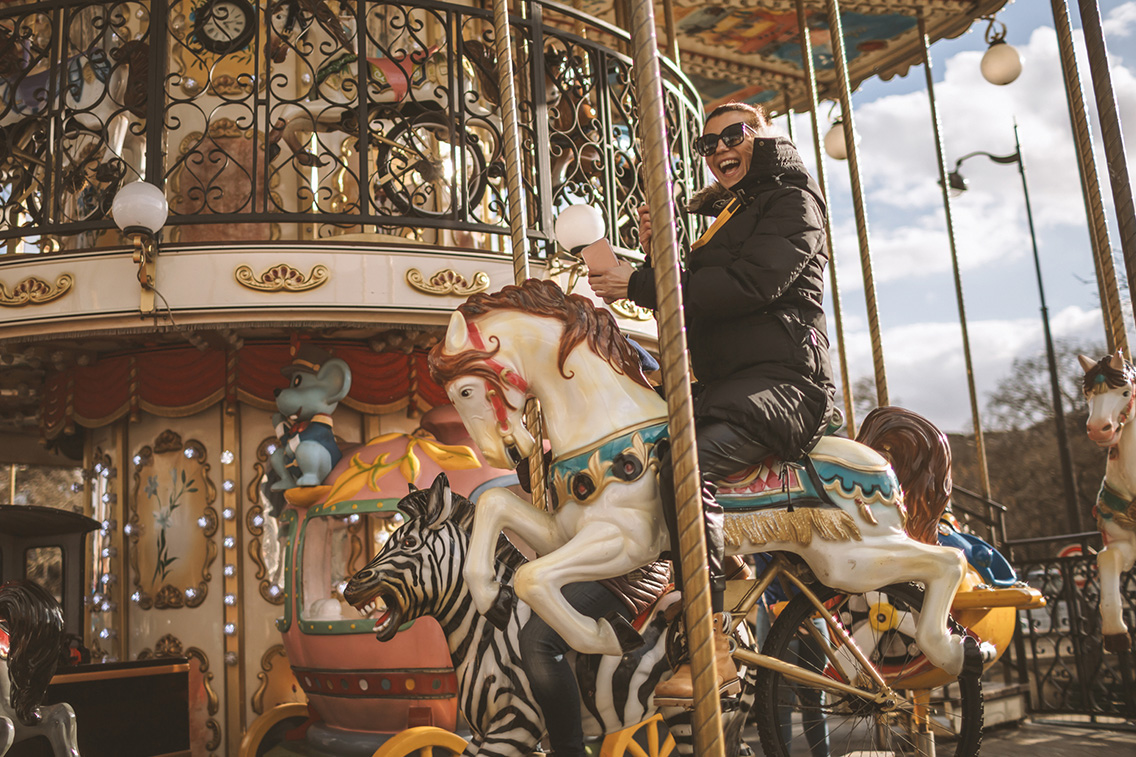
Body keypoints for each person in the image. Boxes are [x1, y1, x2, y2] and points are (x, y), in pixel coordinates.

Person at [588, 101, 836, 703]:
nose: (720, 148)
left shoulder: (793, 202)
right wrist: (654, 256)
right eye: (708, 144)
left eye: (734, 135)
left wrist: (644, 282)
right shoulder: (730, 212)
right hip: (731, 384)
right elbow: (692, 300)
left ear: (764, 136)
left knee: (685, 463)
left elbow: (751, 285)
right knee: (640, 447)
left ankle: (713, 641)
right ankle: (699, 576)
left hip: (786, 384)